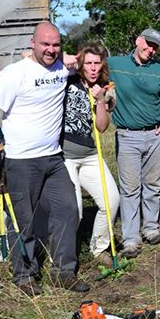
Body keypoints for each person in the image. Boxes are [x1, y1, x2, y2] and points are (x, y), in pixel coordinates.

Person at [0, 22, 89, 296]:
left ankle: (63, 272)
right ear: (32, 42)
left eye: (56, 44)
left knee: (68, 209)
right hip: (21, 161)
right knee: (22, 220)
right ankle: (25, 276)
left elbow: (84, 61)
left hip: (53, 158)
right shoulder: (15, 73)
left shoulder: (62, 67)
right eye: (45, 44)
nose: (50, 50)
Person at [108, 28, 160, 259]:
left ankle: (151, 228)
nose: (151, 49)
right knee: (130, 188)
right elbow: (88, 66)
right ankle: (131, 239)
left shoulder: (159, 69)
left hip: (155, 134)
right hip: (128, 136)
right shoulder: (114, 64)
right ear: (138, 40)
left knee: (153, 185)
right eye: (148, 44)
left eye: (155, 46)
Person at [62, 43, 119, 267]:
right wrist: (63, 58)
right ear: (81, 64)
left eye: (97, 63)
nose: (93, 68)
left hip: (90, 154)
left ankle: (99, 247)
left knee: (112, 200)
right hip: (65, 155)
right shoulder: (67, 78)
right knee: (74, 209)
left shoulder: (105, 88)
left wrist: (100, 101)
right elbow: (28, 55)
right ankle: (65, 253)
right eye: (89, 63)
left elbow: (102, 127)